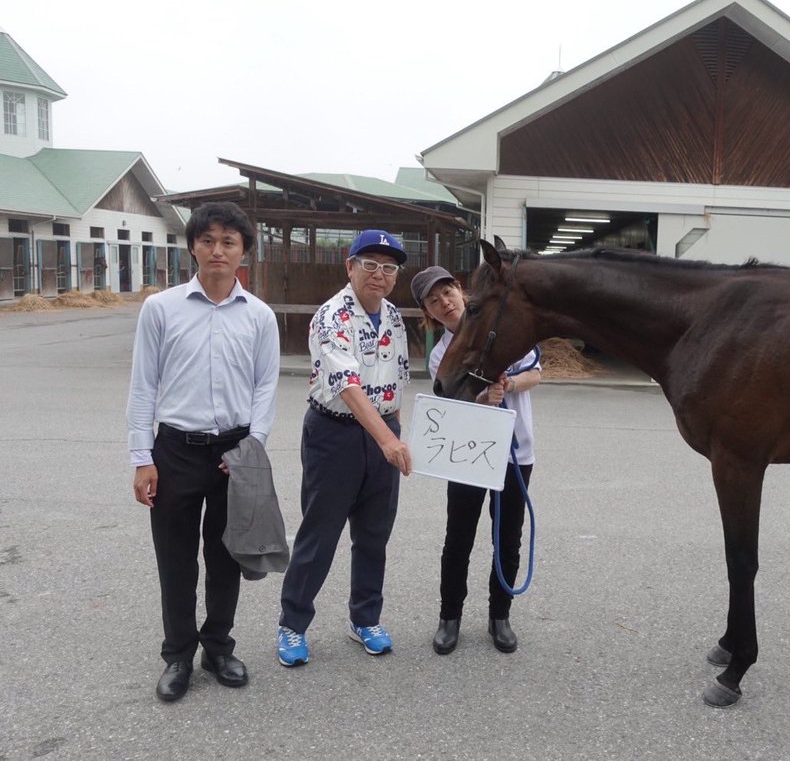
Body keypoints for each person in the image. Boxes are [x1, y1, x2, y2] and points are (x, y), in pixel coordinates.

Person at [125, 201, 280, 703]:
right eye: (208, 240)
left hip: (234, 450)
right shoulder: (161, 308)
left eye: (228, 242)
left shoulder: (259, 316)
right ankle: (177, 655)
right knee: (175, 559)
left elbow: (266, 386)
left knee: (226, 555)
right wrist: (140, 457)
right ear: (193, 246)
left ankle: (219, 647)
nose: (218, 250)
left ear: (243, 253)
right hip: (174, 450)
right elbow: (143, 386)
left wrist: (251, 447)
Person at [276, 229, 414, 667]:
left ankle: (365, 618)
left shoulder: (393, 315)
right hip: (335, 434)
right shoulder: (331, 315)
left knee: (374, 535)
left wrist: (396, 428)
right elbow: (348, 386)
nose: (379, 274)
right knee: (320, 534)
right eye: (369, 264)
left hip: (383, 431)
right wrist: (388, 438)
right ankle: (292, 625)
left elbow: (398, 380)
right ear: (349, 267)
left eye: (389, 267)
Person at [411, 265, 541, 655]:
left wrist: (510, 384)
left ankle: (499, 617)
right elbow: (452, 403)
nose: (444, 303)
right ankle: (449, 617)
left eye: (447, 292)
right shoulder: (440, 355)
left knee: (508, 536)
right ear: (428, 314)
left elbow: (536, 372)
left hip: (515, 453)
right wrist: (484, 399)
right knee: (459, 537)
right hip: (467, 455)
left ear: (462, 292)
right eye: (433, 301)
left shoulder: (505, 328)